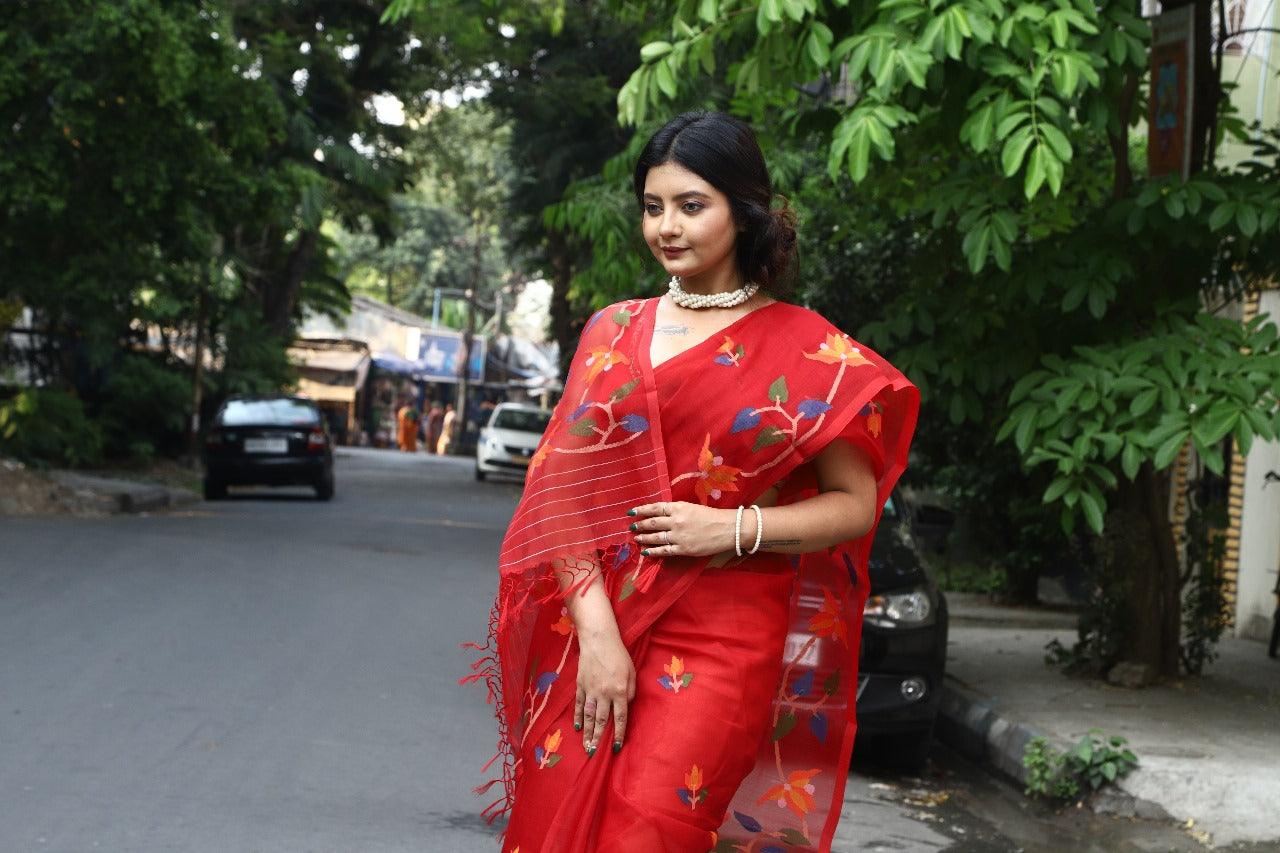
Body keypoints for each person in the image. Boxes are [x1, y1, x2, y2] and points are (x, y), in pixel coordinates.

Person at [461, 111, 919, 852]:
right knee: (557, 817)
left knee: (653, 827)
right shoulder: (611, 332)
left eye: (690, 205)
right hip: (601, 615)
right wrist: (600, 638)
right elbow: (564, 500)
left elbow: (856, 504)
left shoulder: (810, 351)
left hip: (727, 630)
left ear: (744, 212)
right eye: (653, 207)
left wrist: (733, 528)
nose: (667, 226)